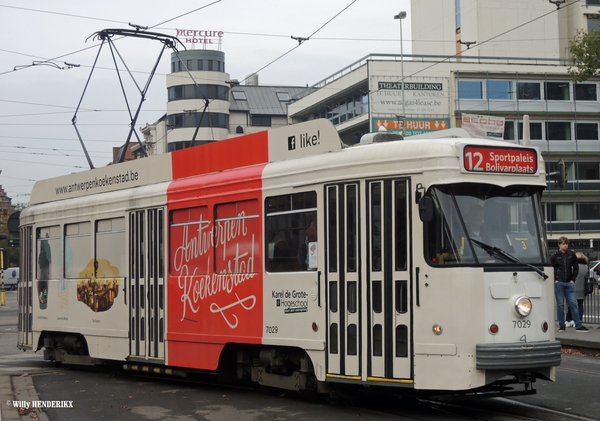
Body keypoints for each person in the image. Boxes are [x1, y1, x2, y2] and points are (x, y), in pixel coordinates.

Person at [550, 237, 589, 333]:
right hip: (560, 282)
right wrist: (555, 279)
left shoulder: (571, 255)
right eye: (563, 244)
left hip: (568, 282)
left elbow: (576, 267)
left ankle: (578, 325)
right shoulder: (554, 255)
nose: (565, 245)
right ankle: (562, 325)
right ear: (559, 244)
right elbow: (551, 268)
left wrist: (573, 279)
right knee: (560, 305)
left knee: (572, 304)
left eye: (566, 244)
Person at [565, 252, 588, 327]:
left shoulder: (573, 266)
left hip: (573, 287)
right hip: (582, 288)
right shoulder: (586, 267)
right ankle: (579, 321)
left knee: (571, 305)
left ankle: (569, 320)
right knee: (580, 305)